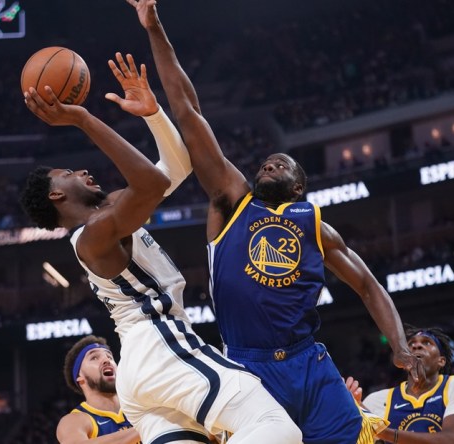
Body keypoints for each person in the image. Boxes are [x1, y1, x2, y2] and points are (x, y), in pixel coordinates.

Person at [126, 1, 424, 442]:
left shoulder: (315, 226)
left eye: (281, 164)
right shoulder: (232, 200)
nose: (269, 164)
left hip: (311, 365)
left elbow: (367, 285)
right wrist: (155, 29)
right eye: (266, 162)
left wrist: (399, 345)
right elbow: (188, 110)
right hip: (249, 368)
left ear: (298, 186)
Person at [20, 53, 301, 443]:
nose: (83, 171)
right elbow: (150, 184)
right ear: (56, 195)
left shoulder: (115, 208)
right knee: (276, 426)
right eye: (69, 174)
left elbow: (176, 167)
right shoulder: (93, 236)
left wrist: (153, 114)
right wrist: (83, 119)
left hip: (142, 373)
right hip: (162, 346)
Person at [356, 327, 454, 443]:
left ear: (441, 361)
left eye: (427, 342)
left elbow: (453, 440)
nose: (417, 346)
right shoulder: (376, 401)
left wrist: (384, 432)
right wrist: (349, 407)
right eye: (411, 344)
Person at [57, 335, 141, 443]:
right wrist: (143, 428)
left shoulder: (140, 405)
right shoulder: (75, 420)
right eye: (94, 358)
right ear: (80, 378)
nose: (106, 360)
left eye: (109, 357)